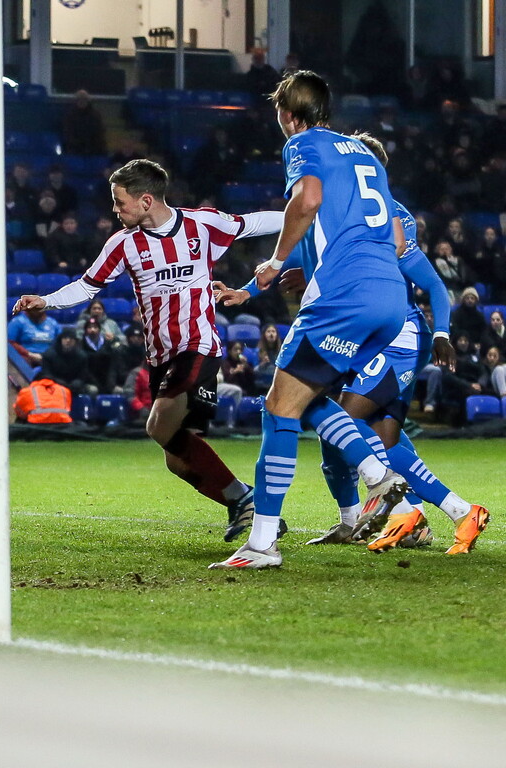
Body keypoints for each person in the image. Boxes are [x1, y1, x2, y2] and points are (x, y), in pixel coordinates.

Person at [216, 131, 487, 556]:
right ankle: (398, 515)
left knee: (335, 417)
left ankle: (412, 506)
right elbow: (304, 252)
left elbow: (420, 273)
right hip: (364, 324)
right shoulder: (341, 209)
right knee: (361, 432)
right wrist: (248, 291)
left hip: (391, 334)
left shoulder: (387, 215)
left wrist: (440, 333)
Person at [14, 158, 287, 542]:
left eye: (119, 202)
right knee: (177, 459)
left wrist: (303, 215)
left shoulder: (201, 224)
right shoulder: (122, 244)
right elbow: (87, 286)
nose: (114, 209)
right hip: (160, 357)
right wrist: (46, 300)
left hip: (198, 346)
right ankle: (246, 501)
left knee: (157, 425)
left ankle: (245, 501)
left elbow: (255, 223)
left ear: (145, 200)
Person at [210, 72, 414, 569]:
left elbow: (307, 201)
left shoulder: (302, 143)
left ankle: (261, 546)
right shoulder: (364, 153)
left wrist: (276, 262)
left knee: (278, 408)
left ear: (289, 114)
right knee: (309, 397)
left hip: (345, 298)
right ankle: (377, 477)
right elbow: (398, 239)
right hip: (389, 297)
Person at [61, 89, 106, 156]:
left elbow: (99, 132)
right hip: (75, 147)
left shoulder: (95, 115)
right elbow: (68, 132)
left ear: (88, 101)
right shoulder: (70, 115)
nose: (82, 101)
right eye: (79, 99)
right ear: (76, 101)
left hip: (92, 147)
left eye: (84, 99)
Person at [254, 323, 281, 392]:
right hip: (261, 386)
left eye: (273, 331)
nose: (271, 334)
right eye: (268, 331)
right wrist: (262, 364)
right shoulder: (258, 351)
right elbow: (254, 371)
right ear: (264, 335)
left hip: (277, 385)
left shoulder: (281, 352)